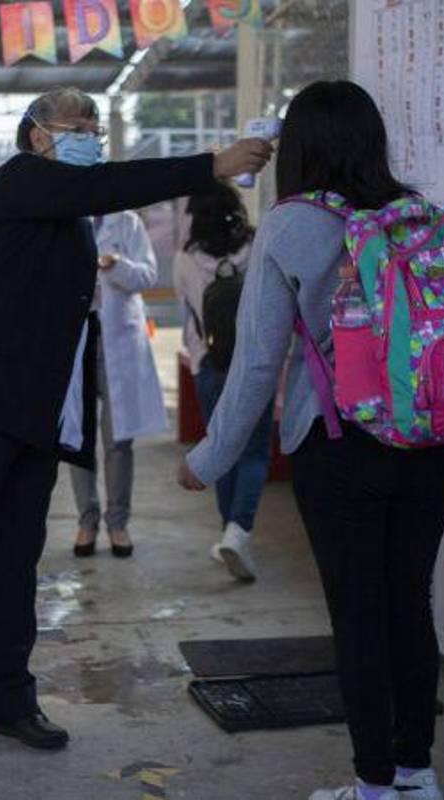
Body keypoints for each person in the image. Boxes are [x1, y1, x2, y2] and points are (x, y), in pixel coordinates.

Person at [0, 87, 272, 776]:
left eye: (96, 127)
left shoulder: (71, 212)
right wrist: (210, 163)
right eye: (79, 126)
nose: (92, 136)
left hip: (33, 414)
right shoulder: (23, 181)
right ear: (37, 136)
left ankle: (10, 701)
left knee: (13, 562)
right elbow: (110, 182)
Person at [177, 81, 444, 800]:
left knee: (358, 617)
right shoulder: (420, 213)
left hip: (341, 447)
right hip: (433, 441)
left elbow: (256, 362)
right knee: (410, 605)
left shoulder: (293, 223)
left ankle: (371, 787)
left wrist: (207, 459)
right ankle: (415, 776)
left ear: (299, 147)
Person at [173, 183, 269, 582]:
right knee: (254, 451)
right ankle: (238, 530)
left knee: (221, 448)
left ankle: (227, 529)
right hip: (251, 365)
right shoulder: (255, 247)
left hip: (210, 365)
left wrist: (198, 363)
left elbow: (188, 320)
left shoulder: (186, 259)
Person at [69, 210, 167, 559]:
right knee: (76, 439)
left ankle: (117, 523)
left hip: (119, 338)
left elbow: (148, 275)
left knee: (118, 439)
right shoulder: (67, 218)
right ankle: (87, 521)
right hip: (77, 337)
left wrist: (116, 265)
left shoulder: (128, 222)